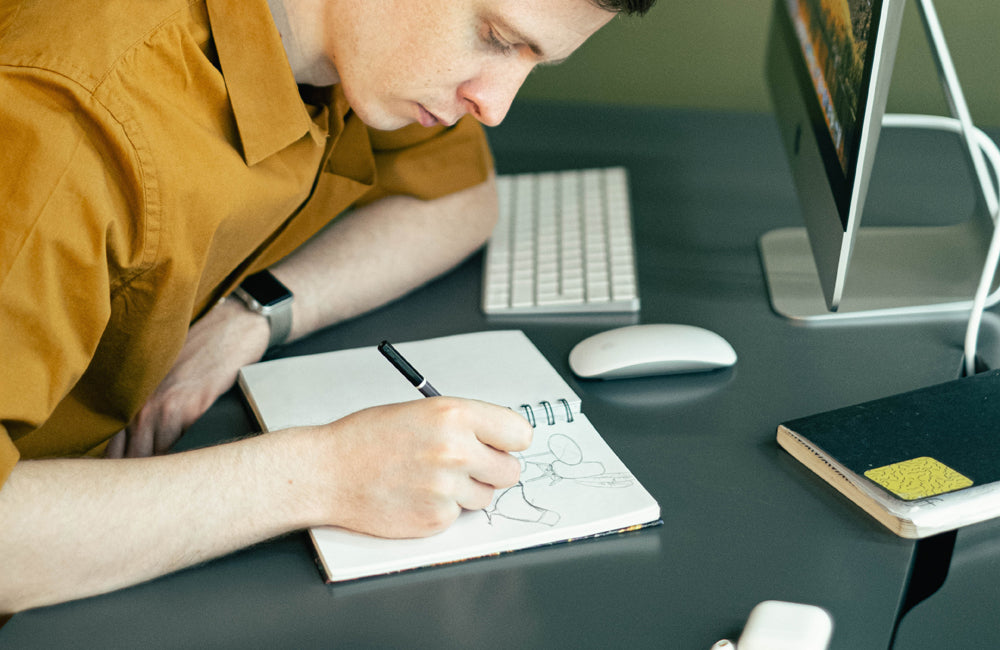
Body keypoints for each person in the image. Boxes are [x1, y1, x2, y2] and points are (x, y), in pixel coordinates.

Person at [0, 0, 655, 614]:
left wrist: (255, 313)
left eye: (531, 60)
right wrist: (325, 474)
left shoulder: (340, 49)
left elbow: (462, 198)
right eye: (494, 36)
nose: (494, 105)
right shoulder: (67, 121)